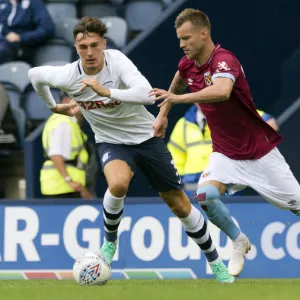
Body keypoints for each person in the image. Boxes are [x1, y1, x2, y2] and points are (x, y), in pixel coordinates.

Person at [28, 16, 235, 283]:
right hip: (110, 141)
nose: (89, 52)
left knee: (180, 205)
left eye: (94, 45)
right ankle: (109, 243)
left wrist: (107, 92)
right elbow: (35, 76)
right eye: (83, 47)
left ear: (103, 43)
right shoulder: (69, 75)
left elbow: (146, 93)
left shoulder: (117, 62)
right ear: (76, 48)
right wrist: (52, 106)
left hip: (146, 138)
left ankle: (215, 262)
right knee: (118, 184)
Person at [150, 8, 300, 277]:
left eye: (186, 38)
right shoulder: (188, 64)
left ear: (203, 33)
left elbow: (221, 91)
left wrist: (177, 100)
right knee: (205, 195)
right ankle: (238, 241)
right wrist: (162, 114)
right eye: (179, 40)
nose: (182, 45)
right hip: (226, 154)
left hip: (260, 154)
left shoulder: (224, 60)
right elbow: (177, 85)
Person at [168, 105, 280, 198]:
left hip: (226, 186)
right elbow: (174, 160)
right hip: (192, 192)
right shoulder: (183, 124)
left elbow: (271, 125)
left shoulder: (232, 114)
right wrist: (178, 189)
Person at [41, 93, 93, 199]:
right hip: (62, 188)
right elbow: (56, 155)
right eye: (80, 101)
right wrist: (69, 181)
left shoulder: (68, 122)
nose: (84, 105)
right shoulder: (63, 122)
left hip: (65, 187)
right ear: (66, 101)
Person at [0, 0, 54, 64]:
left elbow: (47, 29)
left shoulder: (34, 3)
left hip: (21, 46)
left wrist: (20, 37)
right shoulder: (3, 2)